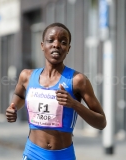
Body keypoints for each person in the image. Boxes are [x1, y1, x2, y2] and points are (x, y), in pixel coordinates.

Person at [6, 22, 106, 160]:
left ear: (68, 48)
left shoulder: (77, 80)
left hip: (63, 155)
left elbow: (101, 123)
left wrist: (74, 104)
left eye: (63, 42)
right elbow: (19, 95)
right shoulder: (27, 76)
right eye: (50, 40)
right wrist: (14, 107)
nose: (56, 45)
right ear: (42, 46)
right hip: (32, 153)